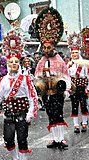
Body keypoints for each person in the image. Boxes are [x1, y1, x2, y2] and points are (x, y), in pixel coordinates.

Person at [0, 29, 38, 160]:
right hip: (8, 113)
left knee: (22, 138)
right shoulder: (4, 80)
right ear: (7, 64)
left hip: (22, 112)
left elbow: (32, 96)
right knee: (8, 139)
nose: (14, 64)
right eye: (11, 62)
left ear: (18, 63)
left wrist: (30, 113)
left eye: (16, 62)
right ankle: (15, 159)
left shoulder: (25, 79)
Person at [34, 7, 71, 148]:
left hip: (57, 93)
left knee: (58, 114)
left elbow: (66, 75)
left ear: (53, 47)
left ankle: (61, 138)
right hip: (46, 93)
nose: (46, 50)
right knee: (50, 115)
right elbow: (36, 76)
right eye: (44, 48)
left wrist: (66, 89)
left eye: (48, 48)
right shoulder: (41, 61)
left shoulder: (59, 60)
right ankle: (55, 139)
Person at [66, 31, 89, 132]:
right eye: (73, 53)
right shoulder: (68, 64)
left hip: (82, 86)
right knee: (74, 106)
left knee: (83, 105)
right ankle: (76, 124)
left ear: (79, 52)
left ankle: (85, 123)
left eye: (76, 52)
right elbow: (66, 76)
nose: (74, 54)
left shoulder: (85, 63)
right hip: (74, 87)